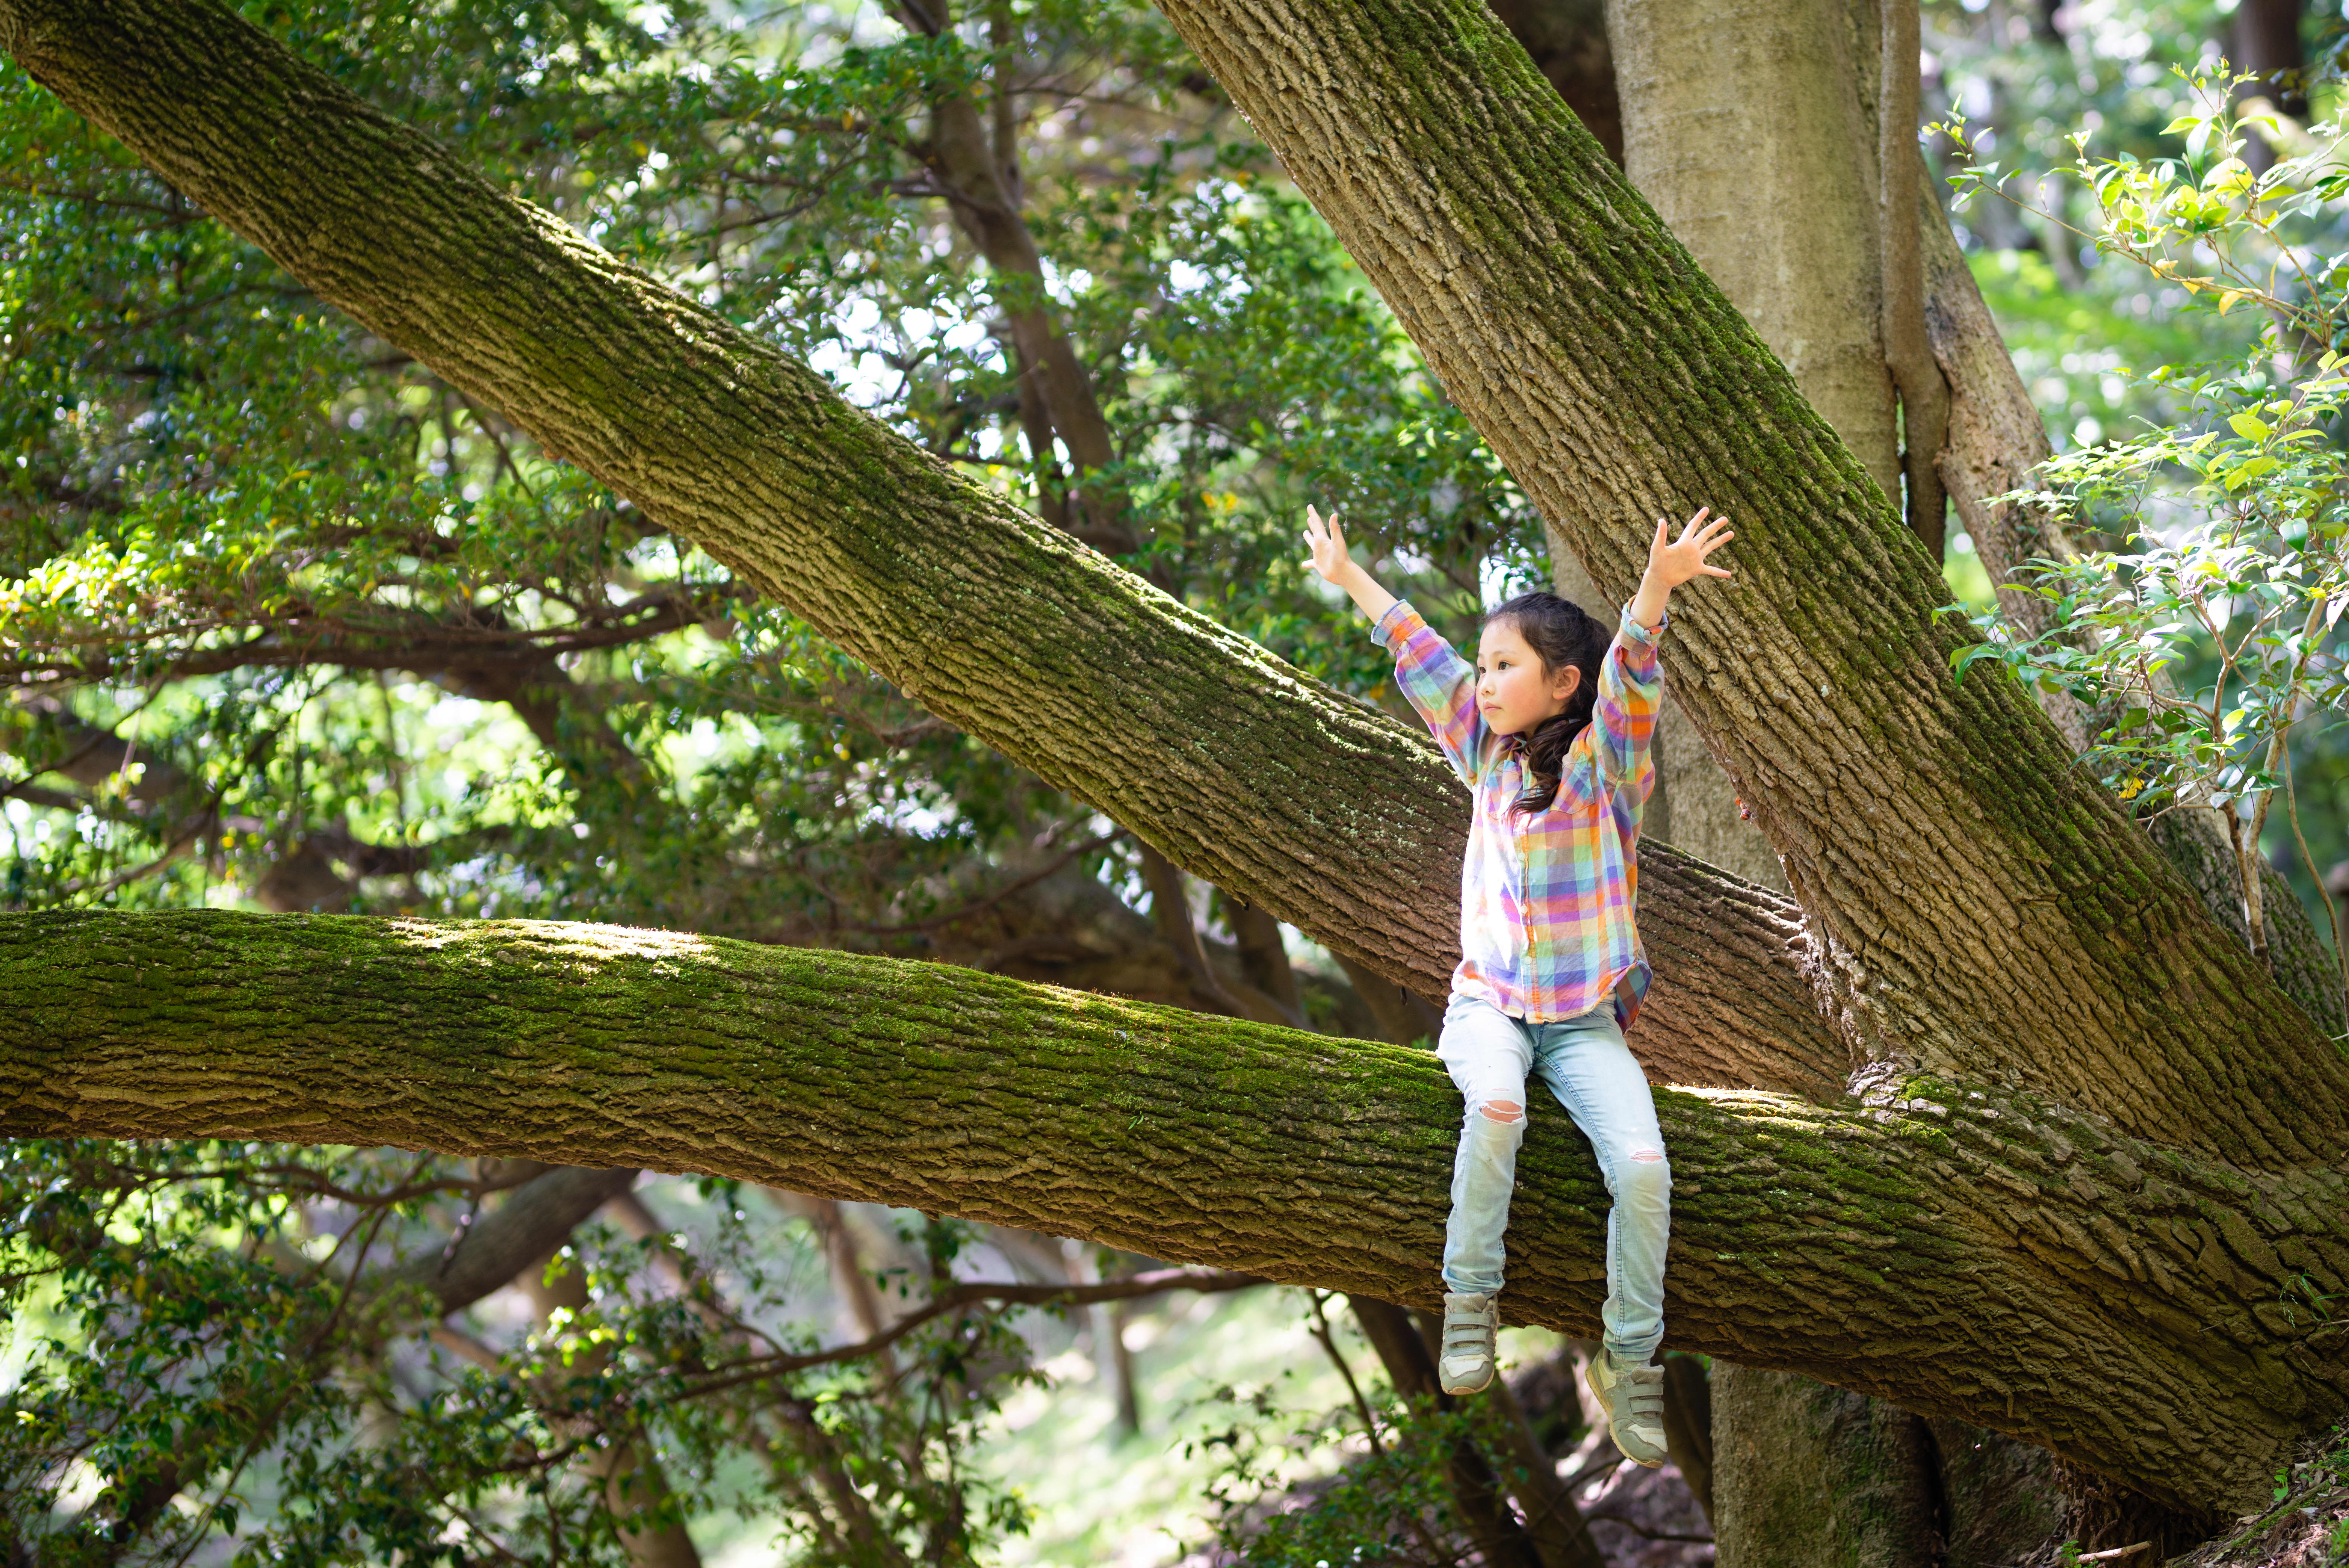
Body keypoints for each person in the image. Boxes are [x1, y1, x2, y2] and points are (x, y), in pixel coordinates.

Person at [1300, 502, 1734, 1468]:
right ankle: (1469, 1299)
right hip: (1488, 1004)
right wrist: (1349, 576)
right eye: (1485, 666)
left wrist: (1656, 591)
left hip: (1582, 1024)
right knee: (1495, 1106)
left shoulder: (1602, 767)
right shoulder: (1485, 754)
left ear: (1561, 682)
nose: (1484, 679)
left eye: (1505, 666)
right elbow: (1422, 657)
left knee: (1646, 1169)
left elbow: (1631, 686)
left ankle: (1631, 1360)